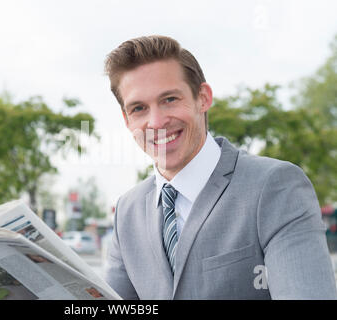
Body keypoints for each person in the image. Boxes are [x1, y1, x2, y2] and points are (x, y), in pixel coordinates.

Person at [103, 35, 337, 299]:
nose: (156, 122)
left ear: (203, 98)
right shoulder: (127, 210)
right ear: (126, 119)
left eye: (169, 99)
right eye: (138, 108)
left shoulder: (275, 186)